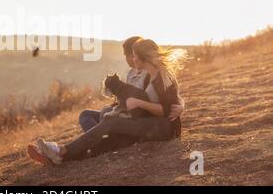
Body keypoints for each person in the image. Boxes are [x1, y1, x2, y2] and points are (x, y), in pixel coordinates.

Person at [28, 39, 188, 165]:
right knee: (114, 139)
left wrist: (140, 104)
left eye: (134, 55)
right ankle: (61, 156)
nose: (132, 58)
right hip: (151, 122)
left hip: (165, 128)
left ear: (142, 57)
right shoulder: (148, 75)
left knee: (111, 123)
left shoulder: (161, 77)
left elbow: (166, 111)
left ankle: (60, 151)